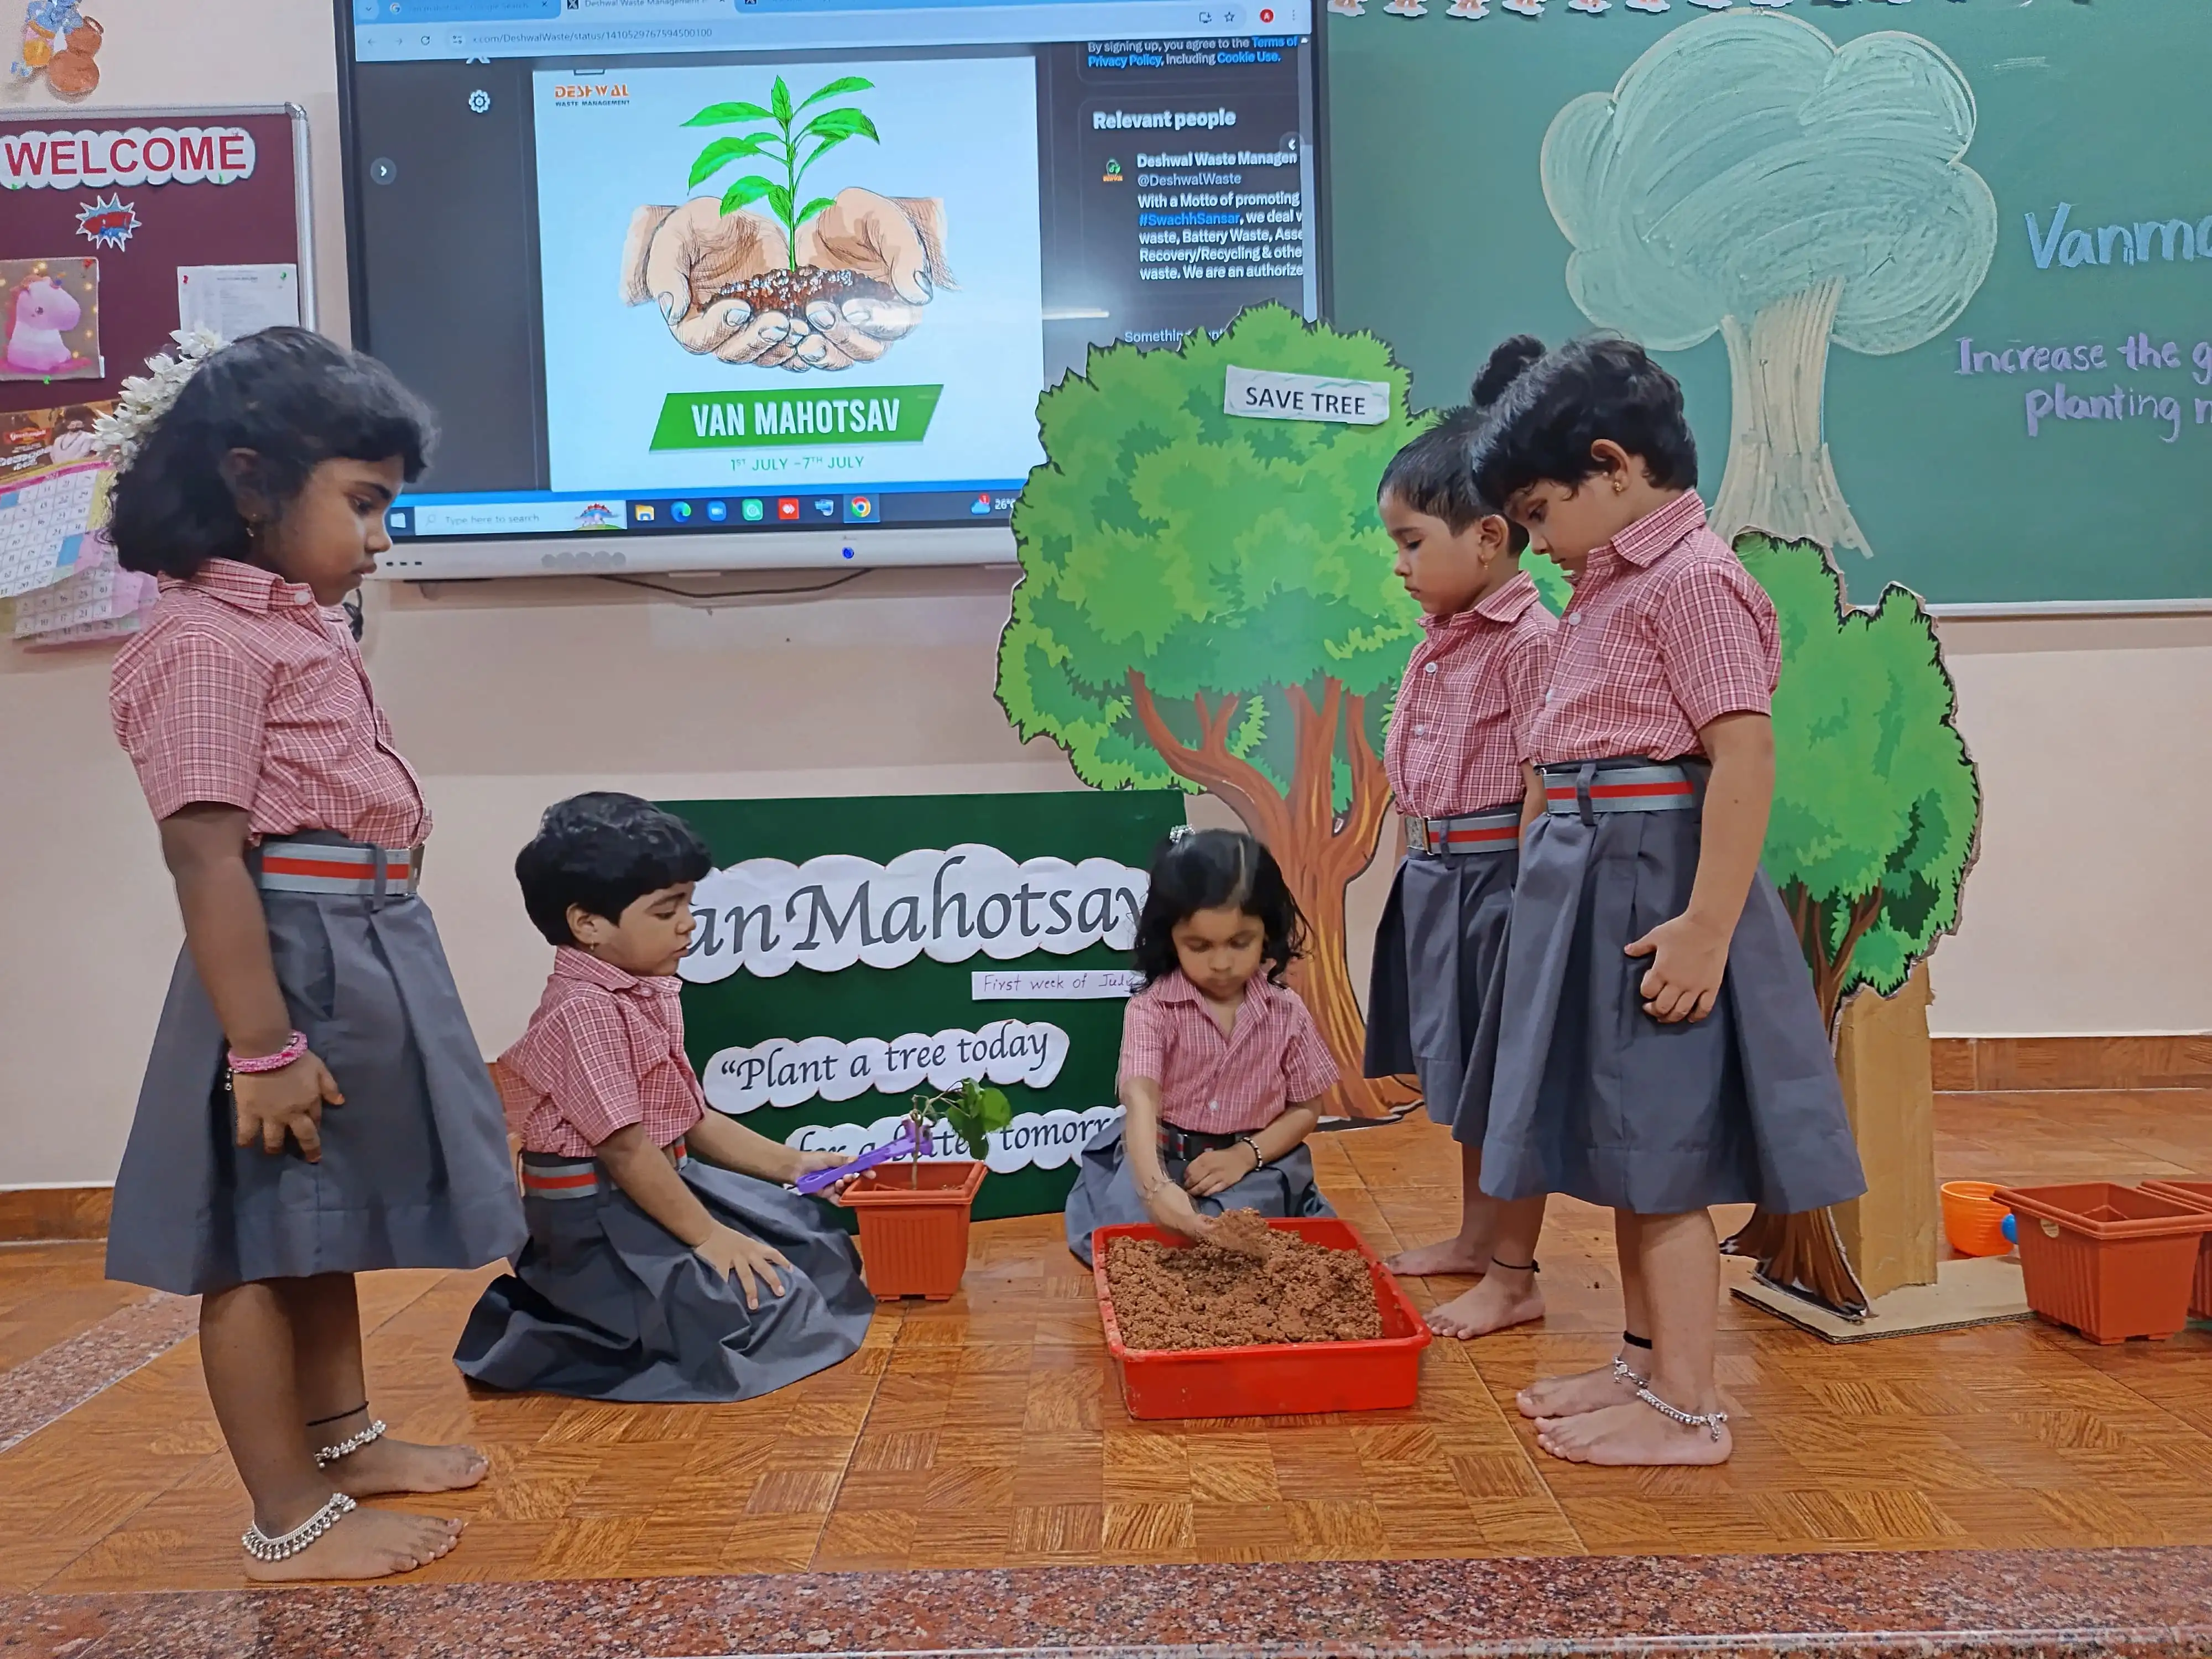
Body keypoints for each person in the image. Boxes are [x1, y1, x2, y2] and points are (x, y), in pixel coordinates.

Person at [102, 327, 527, 1580]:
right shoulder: (201, 640)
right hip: (284, 964)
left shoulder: (297, 624)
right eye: (364, 502)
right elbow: (206, 857)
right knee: (254, 1240)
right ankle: (287, 1517)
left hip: (359, 942)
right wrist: (265, 1048)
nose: (382, 536)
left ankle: (341, 1442)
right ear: (251, 482)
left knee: (315, 1221)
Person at [1469, 336, 1866, 1466]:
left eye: (1540, 512)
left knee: (1664, 1154)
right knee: (1627, 1148)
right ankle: (1643, 1366)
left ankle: (1691, 1407)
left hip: (1653, 879)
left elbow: (1742, 755)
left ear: (1611, 465)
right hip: (1598, 871)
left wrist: (1702, 927)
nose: (1536, 541)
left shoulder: (1694, 581)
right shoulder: (1612, 584)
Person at [455, 793, 874, 1401]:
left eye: (688, 904)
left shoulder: (643, 991)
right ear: (588, 924)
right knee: (763, 1311)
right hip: (601, 1220)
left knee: (817, 1250)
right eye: (665, 910)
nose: (687, 923)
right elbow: (626, 1151)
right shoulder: (583, 1013)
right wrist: (710, 1238)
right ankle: (564, 1325)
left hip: (661, 1187)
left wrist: (795, 1165)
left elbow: (692, 1118)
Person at [1364, 337, 1556, 1339]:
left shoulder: (1531, 643)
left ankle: (1516, 1277)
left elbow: (1541, 786)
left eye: (1411, 542)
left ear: (1487, 537)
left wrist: (1528, 903)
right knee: (1469, 1078)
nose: (1399, 565)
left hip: (1498, 883)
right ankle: (1479, 1240)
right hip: (1440, 874)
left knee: (1509, 1083)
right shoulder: (1441, 643)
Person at [1065, 828, 1338, 1266]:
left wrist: (1245, 1156)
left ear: (1267, 932)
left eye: (1240, 942)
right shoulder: (1152, 1009)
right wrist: (1156, 1190)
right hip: (1159, 1157)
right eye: (1199, 946)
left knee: (1241, 1242)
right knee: (1136, 1243)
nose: (1222, 963)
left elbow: (1307, 1108)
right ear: (1169, 938)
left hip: (1254, 1164)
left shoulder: (1287, 1010)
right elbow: (1140, 1099)